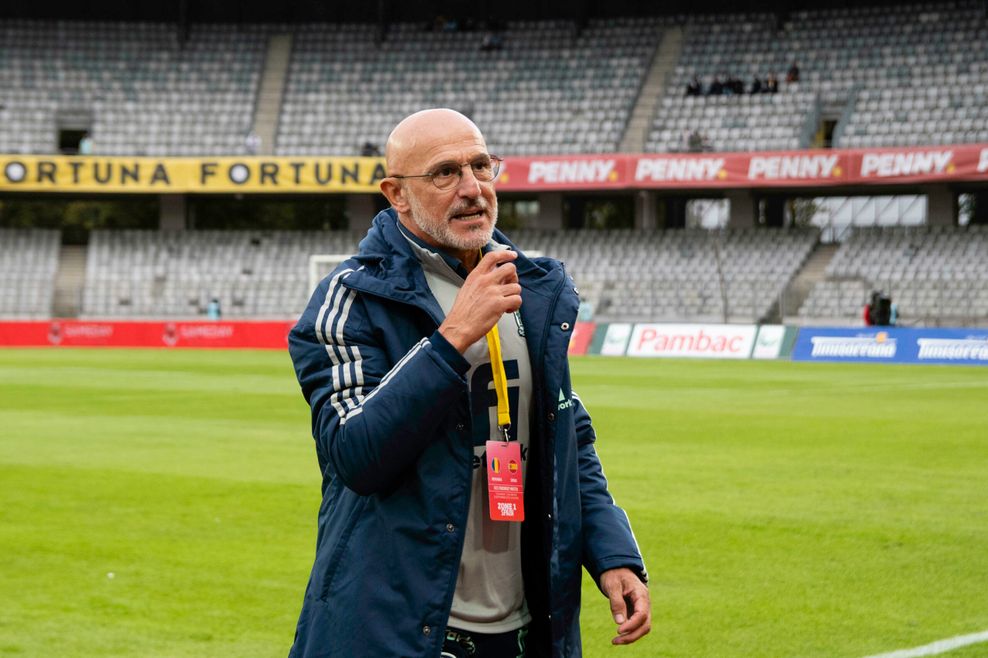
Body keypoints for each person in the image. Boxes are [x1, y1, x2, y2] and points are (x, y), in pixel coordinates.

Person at [287, 109, 650, 657]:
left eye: (481, 166)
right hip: (402, 632)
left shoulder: (533, 286)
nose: (472, 188)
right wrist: (452, 336)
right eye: (445, 173)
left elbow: (565, 432)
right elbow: (355, 455)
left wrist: (611, 550)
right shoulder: (351, 300)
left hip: (525, 631)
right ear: (397, 194)